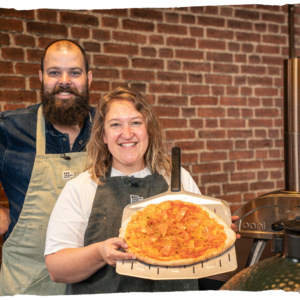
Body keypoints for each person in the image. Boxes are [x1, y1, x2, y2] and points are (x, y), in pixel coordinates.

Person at [45, 86, 239, 294]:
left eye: (136, 123)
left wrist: (213, 235)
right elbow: (57, 269)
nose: (127, 134)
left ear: (149, 129)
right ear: (103, 135)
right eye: (116, 125)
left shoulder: (177, 177)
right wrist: (100, 252)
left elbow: (202, 247)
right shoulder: (81, 188)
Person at [0, 39, 94, 295]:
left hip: (97, 282)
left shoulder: (108, 127)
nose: (65, 81)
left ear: (89, 77)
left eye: (74, 72)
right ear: (41, 77)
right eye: (54, 72)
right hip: (28, 283)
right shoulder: (10, 130)